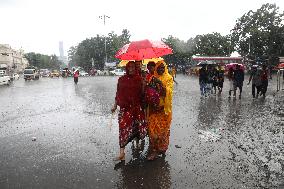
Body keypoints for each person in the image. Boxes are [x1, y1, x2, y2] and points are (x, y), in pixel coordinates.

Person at [111, 61, 147, 161]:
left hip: (136, 109)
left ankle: (136, 142)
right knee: (123, 129)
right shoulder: (121, 79)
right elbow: (118, 93)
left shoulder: (140, 79)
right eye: (129, 67)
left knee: (136, 129)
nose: (131, 69)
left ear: (136, 68)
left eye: (133, 67)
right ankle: (122, 153)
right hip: (125, 109)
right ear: (126, 68)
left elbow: (142, 96)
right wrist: (114, 105)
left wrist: (144, 85)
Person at [147, 61, 174, 160]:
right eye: (159, 67)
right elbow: (148, 92)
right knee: (152, 130)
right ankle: (154, 150)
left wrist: (160, 84)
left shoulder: (169, 78)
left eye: (163, 67)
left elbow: (167, 93)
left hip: (164, 110)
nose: (161, 69)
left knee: (163, 131)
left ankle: (161, 149)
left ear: (165, 68)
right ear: (156, 68)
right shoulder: (151, 77)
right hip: (154, 109)